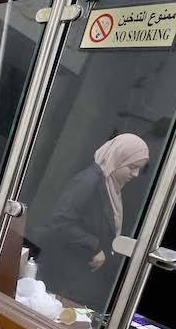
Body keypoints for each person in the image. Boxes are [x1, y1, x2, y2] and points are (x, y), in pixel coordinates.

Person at [41, 133, 150, 310]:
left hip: (79, 276)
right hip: (66, 277)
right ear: (117, 159)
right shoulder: (89, 182)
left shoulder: (111, 185)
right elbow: (60, 221)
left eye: (139, 168)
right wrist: (95, 246)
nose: (136, 174)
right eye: (132, 167)